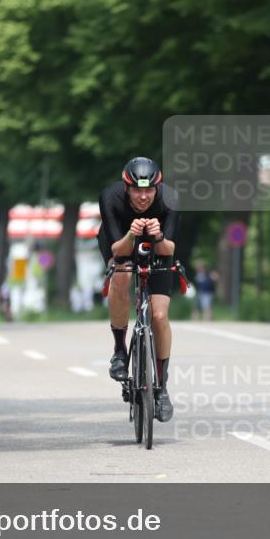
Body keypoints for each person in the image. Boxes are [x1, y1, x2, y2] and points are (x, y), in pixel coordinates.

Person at [97, 157, 179, 422]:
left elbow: (169, 250)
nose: (143, 197)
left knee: (158, 316)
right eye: (137, 190)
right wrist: (132, 235)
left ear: (157, 188)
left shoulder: (169, 199)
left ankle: (162, 387)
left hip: (158, 245)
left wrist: (158, 237)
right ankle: (120, 350)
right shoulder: (110, 198)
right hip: (122, 239)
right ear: (126, 188)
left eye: (148, 191)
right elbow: (116, 250)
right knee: (122, 276)